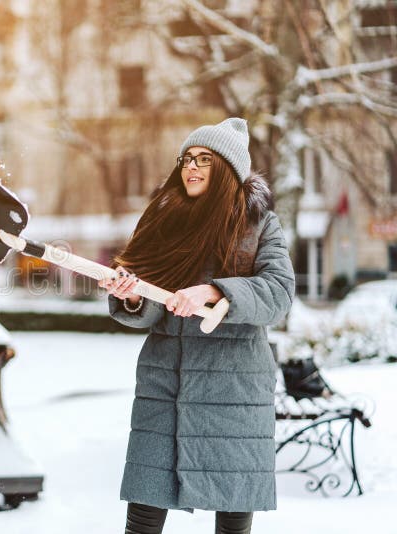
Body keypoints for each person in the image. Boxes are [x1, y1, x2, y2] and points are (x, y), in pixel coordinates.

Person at [99, 118, 295, 534]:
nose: (191, 166)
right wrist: (132, 294)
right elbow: (151, 304)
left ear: (227, 169)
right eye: (187, 158)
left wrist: (214, 292)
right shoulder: (162, 221)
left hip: (234, 387)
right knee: (145, 512)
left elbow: (278, 293)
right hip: (165, 383)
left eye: (204, 159)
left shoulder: (259, 224)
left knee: (233, 507)